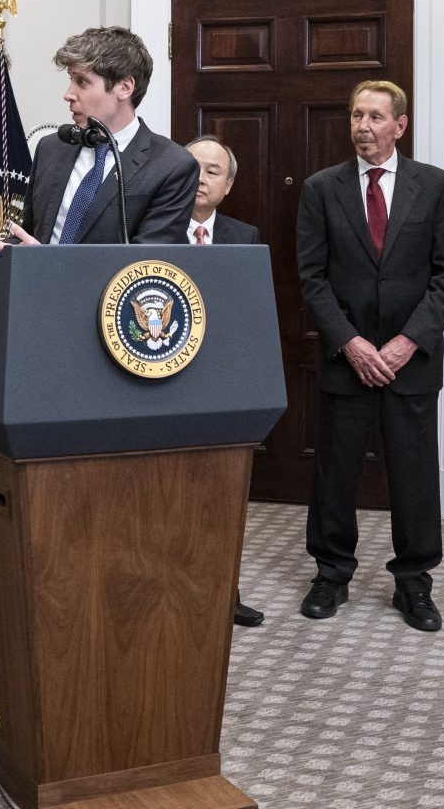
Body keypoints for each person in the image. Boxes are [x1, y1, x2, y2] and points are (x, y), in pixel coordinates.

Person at [295, 79, 444, 632]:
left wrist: (407, 340)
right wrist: (351, 341)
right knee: (336, 472)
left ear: (400, 125)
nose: (362, 127)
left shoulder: (437, 187)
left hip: (410, 360)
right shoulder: (322, 188)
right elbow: (312, 277)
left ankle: (414, 585)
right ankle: (331, 574)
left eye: (374, 117)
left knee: (414, 474)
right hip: (348, 358)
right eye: (355, 116)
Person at [0, 26, 197, 268]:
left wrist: (49, 265)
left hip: (106, 310)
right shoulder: (52, 148)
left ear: (124, 87)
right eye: (70, 80)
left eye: (82, 82)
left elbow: (146, 266)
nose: (68, 94)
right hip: (34, 303)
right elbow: (31, 239)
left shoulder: (172, 166)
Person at [185, 135, 264, 628]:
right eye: (192, 168)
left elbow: (249, 314)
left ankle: (225, 595)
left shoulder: (245, 236)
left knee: (222, 494)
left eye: (213, 171)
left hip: (221, 385)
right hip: (163, 383)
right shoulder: (151, 231)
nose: (201, 179)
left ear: (228, 185)